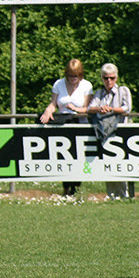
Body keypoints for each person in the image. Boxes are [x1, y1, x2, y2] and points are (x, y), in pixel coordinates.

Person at [39, 58, 93, 196]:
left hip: (79, 124)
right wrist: (48, 110)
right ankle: (66, 188)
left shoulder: (87, 85)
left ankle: (76, 188)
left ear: (80, 74)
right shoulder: (58, 84)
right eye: (70, 75)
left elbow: (88, 109)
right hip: (63, 124)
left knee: (78, 157)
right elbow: (53, 104)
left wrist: (75, 108)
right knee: (64, 156)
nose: (72, 78)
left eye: (75, 76)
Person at [87, 63, 134, 199]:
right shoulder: (99, 93)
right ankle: (112, 196)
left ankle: (125, 196)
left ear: (116, 78)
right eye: (106, 78)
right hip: (105, 133)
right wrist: (100, 108)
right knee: (108, 166)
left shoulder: (123, 91)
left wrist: (111, 110)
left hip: (121, 132)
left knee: (121, 166)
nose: (109, 81)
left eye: (112, 78)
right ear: (102, 78)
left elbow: (127, 108)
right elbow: (90, 108)